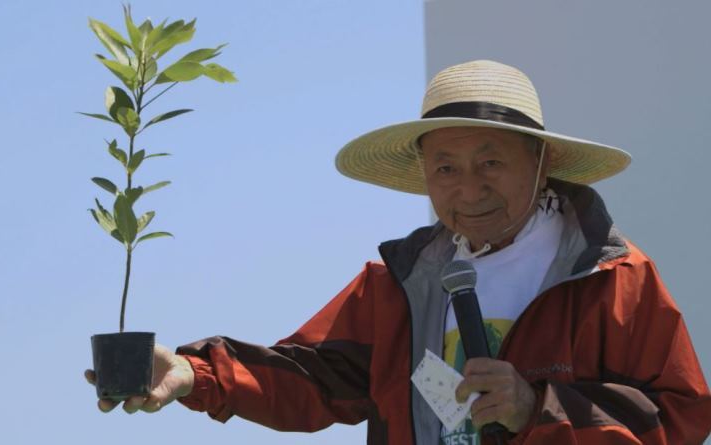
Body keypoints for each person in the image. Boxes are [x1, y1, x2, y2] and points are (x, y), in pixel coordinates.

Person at [85, 60, 711, 444]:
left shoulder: (613, 277)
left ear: (541, 162)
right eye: (445, 168)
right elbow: (315, 381)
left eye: (491, 162)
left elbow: (682, 420)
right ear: (423, 175)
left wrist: (537, 409)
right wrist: (195, 376)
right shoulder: (399, 283)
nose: (468, 189)